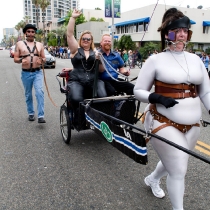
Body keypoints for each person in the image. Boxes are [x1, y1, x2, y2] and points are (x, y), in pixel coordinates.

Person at [134, 8, 210, 210]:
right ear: (167, 33)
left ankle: (152, 179)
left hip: (193, 125)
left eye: (185, 29)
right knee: (178, 169)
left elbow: (206, 92)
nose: (182, 34)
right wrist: (155, 97)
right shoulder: (155, 60)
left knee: (175, 162)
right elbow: (138, 90)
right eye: (177, 29)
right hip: (162, 121)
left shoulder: (196, 60)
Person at [65, 9, 107, 119]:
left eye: (88, 39)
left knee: (103, 97)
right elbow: (69, 35)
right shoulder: (75, 50)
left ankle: (99, 117)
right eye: (84, 38)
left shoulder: (96, 52)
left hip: (93, 80)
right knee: (76, 99)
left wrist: (99, 60)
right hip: (77, 80)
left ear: (91, 40)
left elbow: (101, 70)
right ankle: (79, 116)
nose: (86, 40)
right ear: (81, 39)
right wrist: (73, 18)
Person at [14, 24, 46, 123]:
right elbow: (15, 59)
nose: (31, 33)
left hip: (37, 73)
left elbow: (44, 58)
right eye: (29, 32)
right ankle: (31, 113)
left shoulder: (40, 45)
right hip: (26, 73)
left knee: (39, 92)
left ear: (34, 33)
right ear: (25, 33)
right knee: (28, 94)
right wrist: (21, 61)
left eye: (33, 32)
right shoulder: (19, 44)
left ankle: (41, 116)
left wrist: (41, 61)